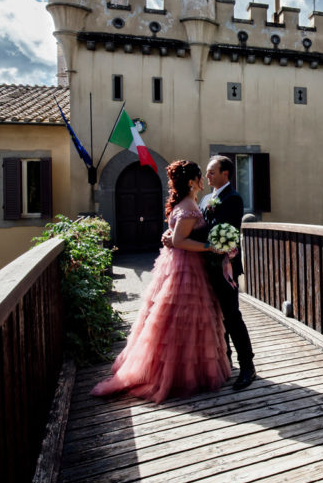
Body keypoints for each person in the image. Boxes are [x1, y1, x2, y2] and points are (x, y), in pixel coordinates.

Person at [91, 160, 230, 403]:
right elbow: (180, 241)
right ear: (191, 182)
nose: (202, 179)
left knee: (174, 319)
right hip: (187, 268)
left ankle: (177, 369)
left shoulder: (186, 204)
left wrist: (172, 235)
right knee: (185, 319)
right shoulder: (188, 205)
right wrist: (211, 246)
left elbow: (175, 235)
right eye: (200, 176)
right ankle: (179, 374)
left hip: (179, 264)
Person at [166, 155, 256, 390]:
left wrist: (180, 239)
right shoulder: (207, 198)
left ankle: (247, 366)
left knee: (232, 315)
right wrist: (175, 237)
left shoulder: (233, 199)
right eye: (206, 172)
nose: (207, 176)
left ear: (225, 174)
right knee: (217, 318)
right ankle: (225, 363)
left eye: (212, 172)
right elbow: (198, 227)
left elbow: (222, 231)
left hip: (224, 267)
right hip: (205, 266)